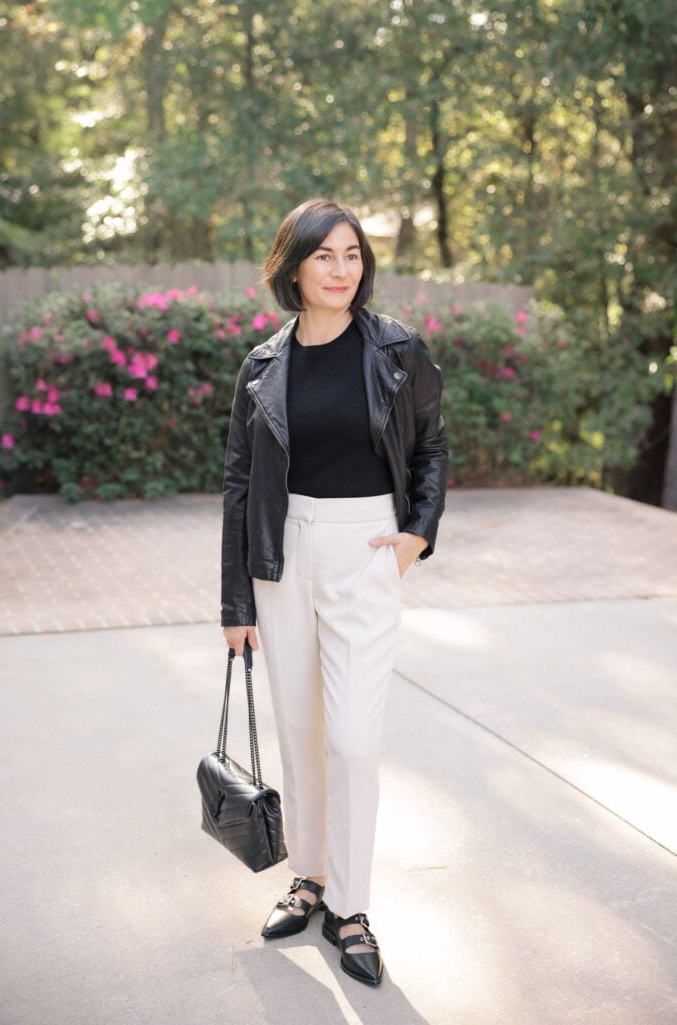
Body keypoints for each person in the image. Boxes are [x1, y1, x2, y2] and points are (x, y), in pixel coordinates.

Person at [221, 198, 447, 986]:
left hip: (367, 548)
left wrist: (417, 532)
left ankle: (351, 908)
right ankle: (308, 876)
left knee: (351, 737)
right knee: (299, 727)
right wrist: (235, 602)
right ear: (292, 266)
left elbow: (430, 446)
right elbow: (240, 483)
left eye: (352, 254)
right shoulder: (261, 365)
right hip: (282, 553)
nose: (341, 269)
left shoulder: (396, 349)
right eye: (324, 255)